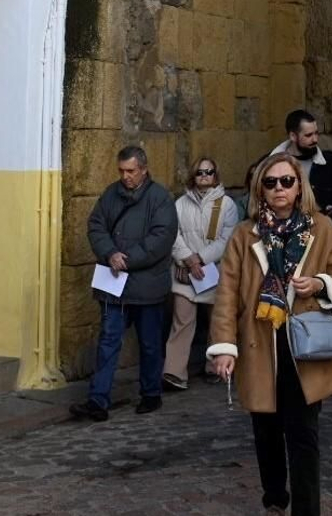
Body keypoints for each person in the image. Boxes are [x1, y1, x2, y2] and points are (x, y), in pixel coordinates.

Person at [208, 153, 332, 516]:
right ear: (260, 189)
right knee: (266, 434)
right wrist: (224, 346)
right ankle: (274, 504)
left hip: (303, 348)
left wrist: (321, 284)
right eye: (270, 183)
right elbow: (226, 295)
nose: (279, 190)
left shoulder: (321, 229)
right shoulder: (245, 234)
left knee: (304, 437)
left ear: (299, 186)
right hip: (260, 346)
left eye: (286, 182)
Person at [72, 145, 177, 422]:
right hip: (114, 283)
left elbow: (161, 238)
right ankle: (98, 400)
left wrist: (128, 259)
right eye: (121, 171)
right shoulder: (110, 194)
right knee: (108, 340)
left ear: (143, 169)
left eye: (130, 171)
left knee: (150, 342)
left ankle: (151, 393)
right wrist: (110, 253)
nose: (126, 176)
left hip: (146, 284)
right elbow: (96, 225)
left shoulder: (160, 199)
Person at [164, 156, 241, 391]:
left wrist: (201, 258)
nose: (204, 176)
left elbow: (227, 239)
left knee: (218, 321)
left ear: (215, 175)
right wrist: (187, 258)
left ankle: (215, 367)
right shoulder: (180, 204)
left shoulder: (226, 205)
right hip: (186, 273)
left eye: (208, 172)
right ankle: (174, 372)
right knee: (182, 322)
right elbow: (173, 234)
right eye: (199, 172)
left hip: (213, 272)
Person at [272, 108, 332, 239]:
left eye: (316, 133)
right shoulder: (271, 165)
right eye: (308, 135)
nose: (315, 139)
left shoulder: (330, 162)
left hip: (323, 237)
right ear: (293, 136)